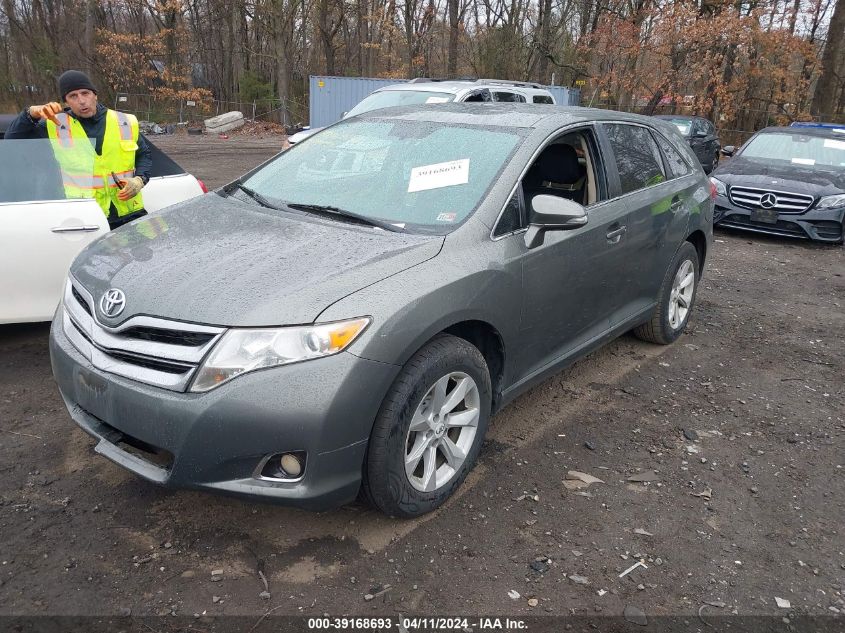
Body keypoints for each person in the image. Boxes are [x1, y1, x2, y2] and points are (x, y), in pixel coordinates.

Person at [5, 70, 152, 229]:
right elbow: (11, 139)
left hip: (131, 212)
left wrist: (139, 180)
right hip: (87, 217)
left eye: (85, 93)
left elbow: (144, 155)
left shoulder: (124, 121)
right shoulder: (55, 125)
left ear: (95, 95)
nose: (81, 101)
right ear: (66, 102)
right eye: (73, 96)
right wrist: (31, 113)